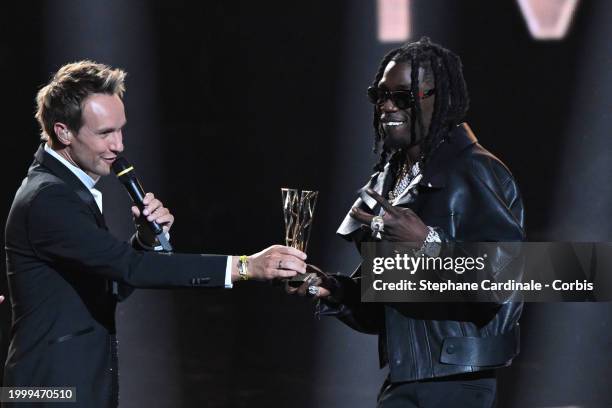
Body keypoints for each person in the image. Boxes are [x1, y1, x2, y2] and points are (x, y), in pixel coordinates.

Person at [3, 60, 306, 407]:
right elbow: (131, 268)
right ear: (64, 132)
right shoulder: (49, 198)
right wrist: (245, 266)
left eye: (121, 130)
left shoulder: (65, 190)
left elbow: (114, 284)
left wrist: (146, 241)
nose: (118, 145)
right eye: (105, 133)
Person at [290, 38, 525, 407]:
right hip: (405, 378)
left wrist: (429, 243)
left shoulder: (475, 170)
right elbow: (388, 307)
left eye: (402, 96)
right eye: (380, 95)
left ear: (439, 98)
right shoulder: (391, 179)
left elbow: (509, 280)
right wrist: (335, 289)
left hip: (456, 381)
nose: (386, 106)